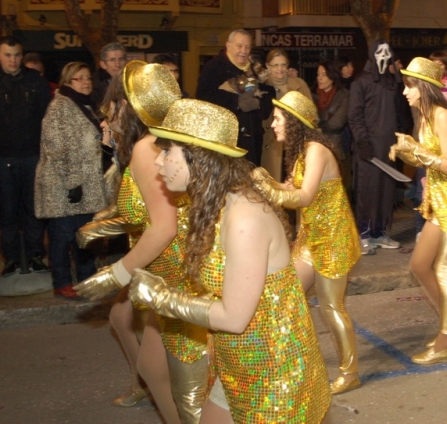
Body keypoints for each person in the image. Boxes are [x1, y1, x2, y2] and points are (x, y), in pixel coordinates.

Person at [130, 98, 331, 423]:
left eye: (168, 152)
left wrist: (160, 297)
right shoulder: (213, 205)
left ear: (198, 158)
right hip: (239, 362)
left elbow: (234, 318)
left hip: (274, 376)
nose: (159, 163)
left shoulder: (243, 217)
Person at [75, 63, 206, 424]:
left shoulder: (149, 148)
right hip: (163, 268)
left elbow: (163, 227)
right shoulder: (146, 145)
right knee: (156, 368)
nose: (106, 111)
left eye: (112, 103)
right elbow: (148, 212)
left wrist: (114, 274)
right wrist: (105, 225)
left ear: (129, 106)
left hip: (176, 269)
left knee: (188, 386)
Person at [256, 91, 362, 394]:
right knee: (284, 294)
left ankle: (350, 372)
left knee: (331, 306)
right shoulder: (302, 151)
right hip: (311, 238)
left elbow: (303, 197)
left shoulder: (316, 150)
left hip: (333, 240)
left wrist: (269, 189)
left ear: (293, 122)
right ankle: (286, 359)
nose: (273, 124)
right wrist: (265, 181)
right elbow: (290, 188)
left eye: (278, 119)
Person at [390, 57, 447, 364]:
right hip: (440, 202)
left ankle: (445, 342)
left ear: (423, 87)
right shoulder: (425, 115)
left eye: (408, 86)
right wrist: (407, 150)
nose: (405, 92)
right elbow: (429, 160)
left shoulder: (442, 115)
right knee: (419, 265)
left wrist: (416, 151)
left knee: (444, 267)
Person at [34, 62, 106, 299]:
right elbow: (56, 148)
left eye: (88, 78)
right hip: (64, 186)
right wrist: (72, 182)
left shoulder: (86, 105)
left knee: (84, 236)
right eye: (79, 78)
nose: (86, 82)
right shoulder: (60, 107)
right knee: (62, 237)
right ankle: (62, 282)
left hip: (86, 184)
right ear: (67, 82)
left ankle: (85, 279)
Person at [0, 36, 52, 277]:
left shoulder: (34, 80)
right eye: (7, 55)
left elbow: (46, 118)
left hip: (33, 156)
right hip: (3, 158)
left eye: (16, 54)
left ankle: (36, 255)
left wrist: (45, 153)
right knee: (7, 212)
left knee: (34, 210)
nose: (12, 60)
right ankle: (11, 259)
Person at [349, 40, 407, 252]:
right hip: (369, 149)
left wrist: (401, 139)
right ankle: (363, 235)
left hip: (388, 148)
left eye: (387, 53)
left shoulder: (391, 82)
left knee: (386, 192)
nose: (383, 57)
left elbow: (399, 114)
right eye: (379, 53)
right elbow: (355, 115)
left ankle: (379, 233)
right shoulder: (361, 82)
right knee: (367, 191)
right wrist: (362, 141)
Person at [196, 29, 274, 167]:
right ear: (228, 45)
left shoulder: (257, 68)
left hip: (253, 140)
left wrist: (259, 103)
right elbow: (204, 97)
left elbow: (268, 92)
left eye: (247, 47)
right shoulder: (213, 67)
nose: (243, 51)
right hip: (226, 140)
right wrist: (236, 102)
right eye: (239, 46)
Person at [260, 48, 313, 181]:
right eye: (275, 65)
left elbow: (311, 116)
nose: (280, 69)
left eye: (283, 65)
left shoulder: (299, 84)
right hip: (270, 143)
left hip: (295, 143)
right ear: (267, 66)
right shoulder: (261, 86)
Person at [313, 60, 349, 157]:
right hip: (315, 146)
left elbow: (337, 124)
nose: (319, 78)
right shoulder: (313, 95)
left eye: (324, 74)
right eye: (318, 74)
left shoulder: (344, 95)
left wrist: (317, 125)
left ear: (332, 76)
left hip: (334, 146)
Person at [93, 42, 127, 109]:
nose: (118, 64)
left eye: (121, 59)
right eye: (112, 60)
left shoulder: (131, 80)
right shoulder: (95, 84)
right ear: (103, 64)